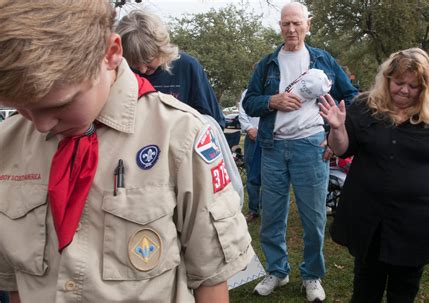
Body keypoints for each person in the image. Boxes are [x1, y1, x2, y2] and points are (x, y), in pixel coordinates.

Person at [0, 1, 254, 302]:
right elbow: (15, 279)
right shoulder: (8, 142)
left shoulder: (182, 136)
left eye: (60, 105)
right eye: (20, 107)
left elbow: (211, 276)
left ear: (111, 53)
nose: (41, 126)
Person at [320, 48, 429, 302]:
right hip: (369, 218)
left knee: (405, 288)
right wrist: (336, 128)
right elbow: (341, 147)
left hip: (416, 222)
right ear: (387, 79)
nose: (404, 90)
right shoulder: (365, 107)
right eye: (399, 82)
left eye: (413, 86)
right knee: (366, 284)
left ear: (424, 87)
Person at [242, 2, 358, 301]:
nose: (291, 29)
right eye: (285, 24)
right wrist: (272, 101)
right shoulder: (267, 64)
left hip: (311, 148)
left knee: (314, 217)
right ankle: (278, 271)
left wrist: (335, 136)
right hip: (272, 147)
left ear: (308, 24)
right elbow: (249, 102)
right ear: (279, 26)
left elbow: (351, 97)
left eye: (296, 23)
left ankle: (312, 275)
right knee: (272, 217)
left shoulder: (323, 59)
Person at [115, 10, 226, 129]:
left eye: (148, 61)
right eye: (134, 63)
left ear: (161, 49)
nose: (142, 70)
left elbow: (213, 121)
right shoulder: (118, 71)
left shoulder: (187, 66)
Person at [238, 89, 261, 222]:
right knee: (252, 175)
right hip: (252, 138)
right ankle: (253, 210)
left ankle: (268, 210)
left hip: (273, 137)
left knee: (271, 177)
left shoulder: (279, 89)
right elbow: (242, 112)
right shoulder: (248, 93)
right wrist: (249, 128)